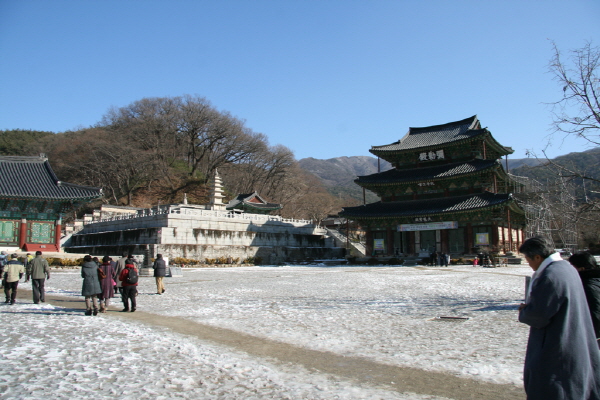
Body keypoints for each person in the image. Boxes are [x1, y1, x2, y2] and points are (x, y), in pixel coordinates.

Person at [518, 236, 600, 399]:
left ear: (538, 257)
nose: (528, 263)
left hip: (557, 346)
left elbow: (539, 315)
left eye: (527, 259)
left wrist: (525, 311)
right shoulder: (567, 268)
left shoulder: (550, 275)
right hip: (574, 338)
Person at [569, 251, 600, 340]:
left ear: (581, 269)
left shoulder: (588, 286)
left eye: (572, 267)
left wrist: (591, 339)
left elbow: (595, 313)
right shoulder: (594, 280)